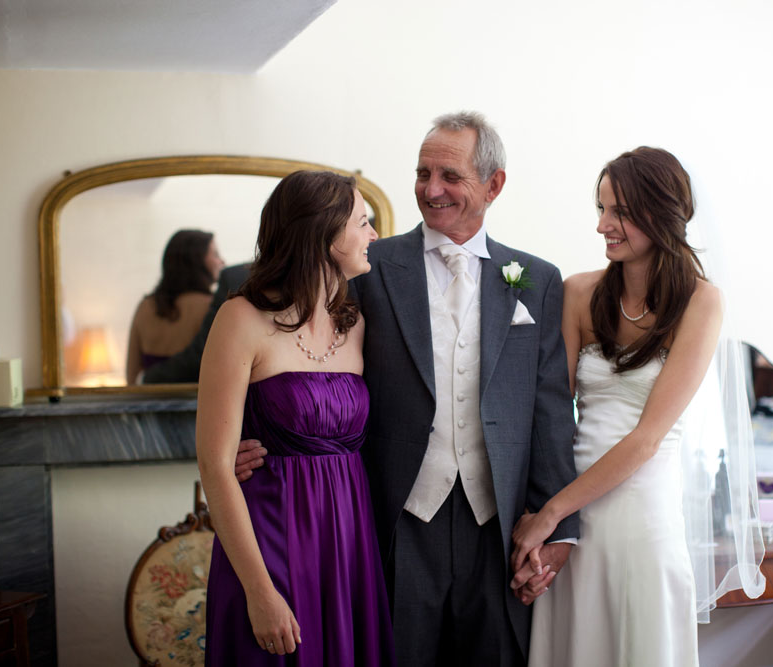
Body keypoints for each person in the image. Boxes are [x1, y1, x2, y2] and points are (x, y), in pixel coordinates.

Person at [236, 112, 579, 666]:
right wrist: (247, 439)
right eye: (422, 173)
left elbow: (550, 411)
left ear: (494, 185)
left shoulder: (535, 280)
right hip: (389, 521)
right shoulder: (366, 266)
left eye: (450, 175)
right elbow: (300, 359)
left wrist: (560, 526)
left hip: (497, 529)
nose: (430, 189)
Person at [510, 147, 765, 666]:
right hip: (574, 521)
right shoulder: (579, 292)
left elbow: (647, 439)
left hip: (641, 521)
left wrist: (552, 514)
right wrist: (554, 525)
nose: (604, 224)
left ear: (661, 213)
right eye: (601, 209)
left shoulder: (701, 302)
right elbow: (553, 416)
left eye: (620, 211)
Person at [197, 170, 394, 665]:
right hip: (272, 537)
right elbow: (216, 465)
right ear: (325, 234)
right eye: (362, 222)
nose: (373, 235)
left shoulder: (357, 325)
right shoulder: (241, 319)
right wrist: (259, 592)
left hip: (348, 541)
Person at [126, 229, 225, 383]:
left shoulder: (145, 306)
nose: (222, 261)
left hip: (147, 402)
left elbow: (132, 375)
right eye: (216, 254)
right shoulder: (211, 308)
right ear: (197, 260)